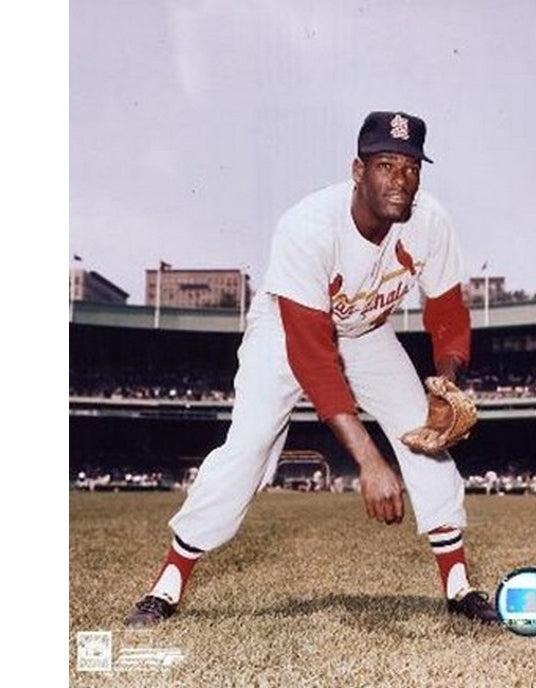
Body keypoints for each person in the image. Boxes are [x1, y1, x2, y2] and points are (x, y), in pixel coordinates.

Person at [125, 110, 498, 627]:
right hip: (287, 331)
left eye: (411, 167)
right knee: (250, 445)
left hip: (366, 330)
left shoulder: (430, 219)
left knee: (425, 432)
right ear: (357, 170)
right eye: (385, 165)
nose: (400, 179)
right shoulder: (308, 226)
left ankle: (459, 587)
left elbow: (447, 310)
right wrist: (368, 460)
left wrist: (447, 380)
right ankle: (168, 583)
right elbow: (312, 355)